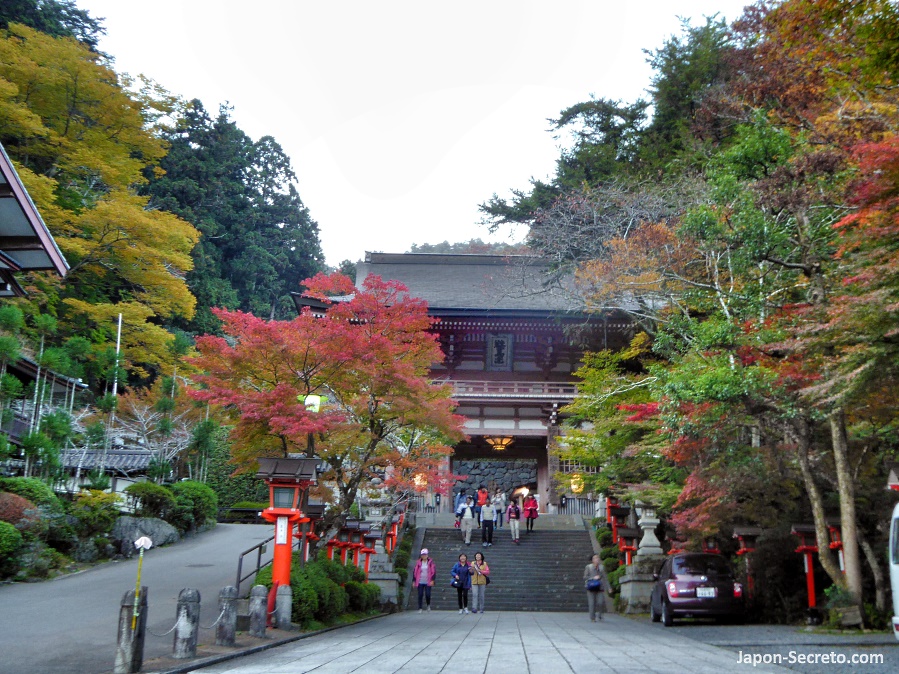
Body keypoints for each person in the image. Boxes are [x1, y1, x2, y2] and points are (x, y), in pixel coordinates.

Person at [584, 553, 610, 622]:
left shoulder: (602, 567)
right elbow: (585, 577)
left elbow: (605, 578)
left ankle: (600, 615)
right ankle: (592, 618)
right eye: (595, 558)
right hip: (591, 587)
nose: (597, 559)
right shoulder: (588, 567)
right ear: (592, 560)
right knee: (591, 603)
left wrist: (609, 587)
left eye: (598, 558)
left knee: (600, 602)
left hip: (600, 587)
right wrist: (593, 578)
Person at [412, 548, 436, 613]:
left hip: (428, 581)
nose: (424, 556)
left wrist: (432, 580)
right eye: (422, 555)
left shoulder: (430, 563)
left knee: (428, 594)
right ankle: (420, 608)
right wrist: (414, 581)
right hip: (420, 580)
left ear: (427, 555)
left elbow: (433, 572)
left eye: (425, 555)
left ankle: (428, 605)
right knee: (420, 594)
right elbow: (415, 572)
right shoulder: (418, 563)